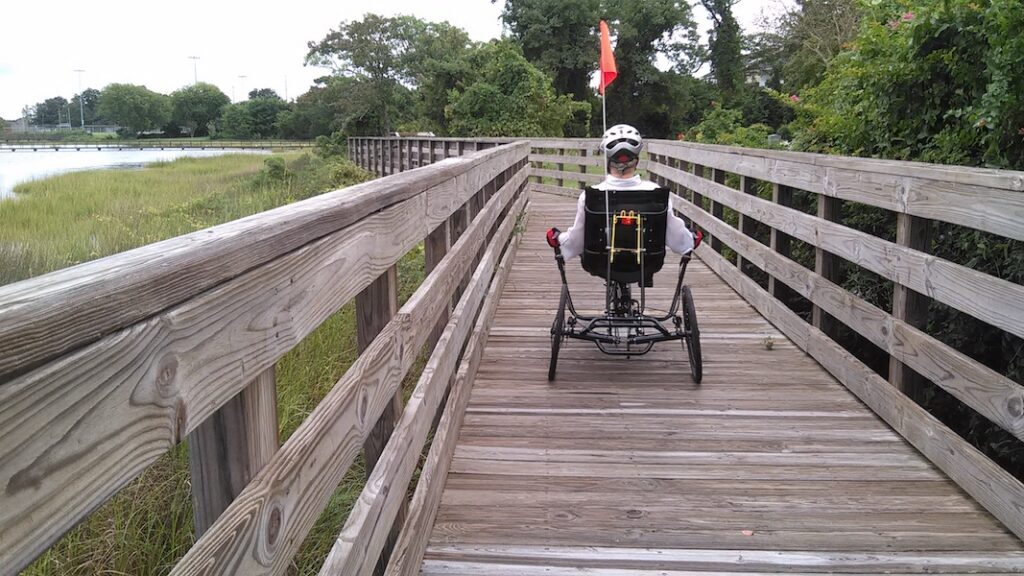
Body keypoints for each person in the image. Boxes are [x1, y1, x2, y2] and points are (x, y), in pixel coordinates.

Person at [546, 124, 702, 260]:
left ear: (608, 161)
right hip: (648, 262)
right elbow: (677, 238)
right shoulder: (655, 192)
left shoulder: (590, 195)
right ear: (637, 160)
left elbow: (576, 241)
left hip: (599, 262)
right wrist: (691, 238)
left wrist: (558, 238)